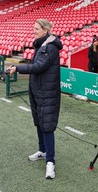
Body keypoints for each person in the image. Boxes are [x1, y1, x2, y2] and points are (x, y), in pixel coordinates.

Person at [8, 19, 62, 179]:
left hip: (47, 92)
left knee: (47, 126)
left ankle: (50, 162)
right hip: (37, 91)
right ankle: (43, 151)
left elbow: (39, 67)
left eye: (37, 29)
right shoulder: (41, 45)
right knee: (39, 121)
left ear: (45, 30)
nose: (34, 31)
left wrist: (18, 67)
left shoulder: (50, 47)